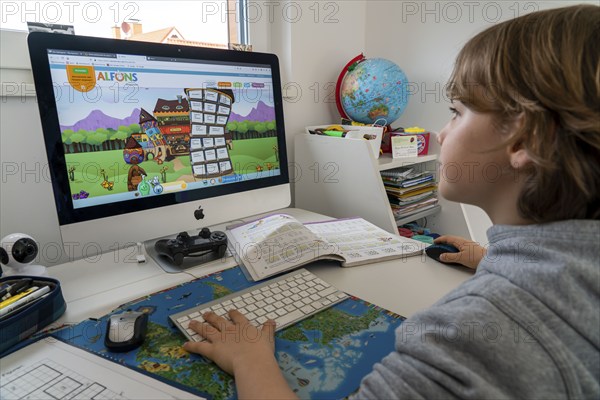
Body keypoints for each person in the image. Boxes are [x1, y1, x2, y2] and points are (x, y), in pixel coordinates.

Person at [183, 5, 600, 399]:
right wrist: (494, 259)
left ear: (525, 139)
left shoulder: (466, 339)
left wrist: (249, 359)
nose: (441, 133)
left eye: (457, 111)